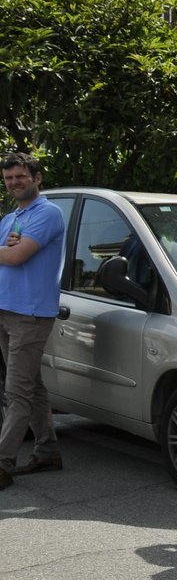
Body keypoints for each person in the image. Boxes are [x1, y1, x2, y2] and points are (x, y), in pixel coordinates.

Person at [0, 152, 67, 489]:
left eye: (20, 176)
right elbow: (6, 257)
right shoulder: (11, 218)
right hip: (6, 312)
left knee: (17, 392)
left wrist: (11, 251)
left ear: (37, 178)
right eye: (9, 178)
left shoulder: (48, 213)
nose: (14, 182)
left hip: (30, 315)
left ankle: (3, 463)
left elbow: (15, 255)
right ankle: (47, 451)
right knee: (32, 386)